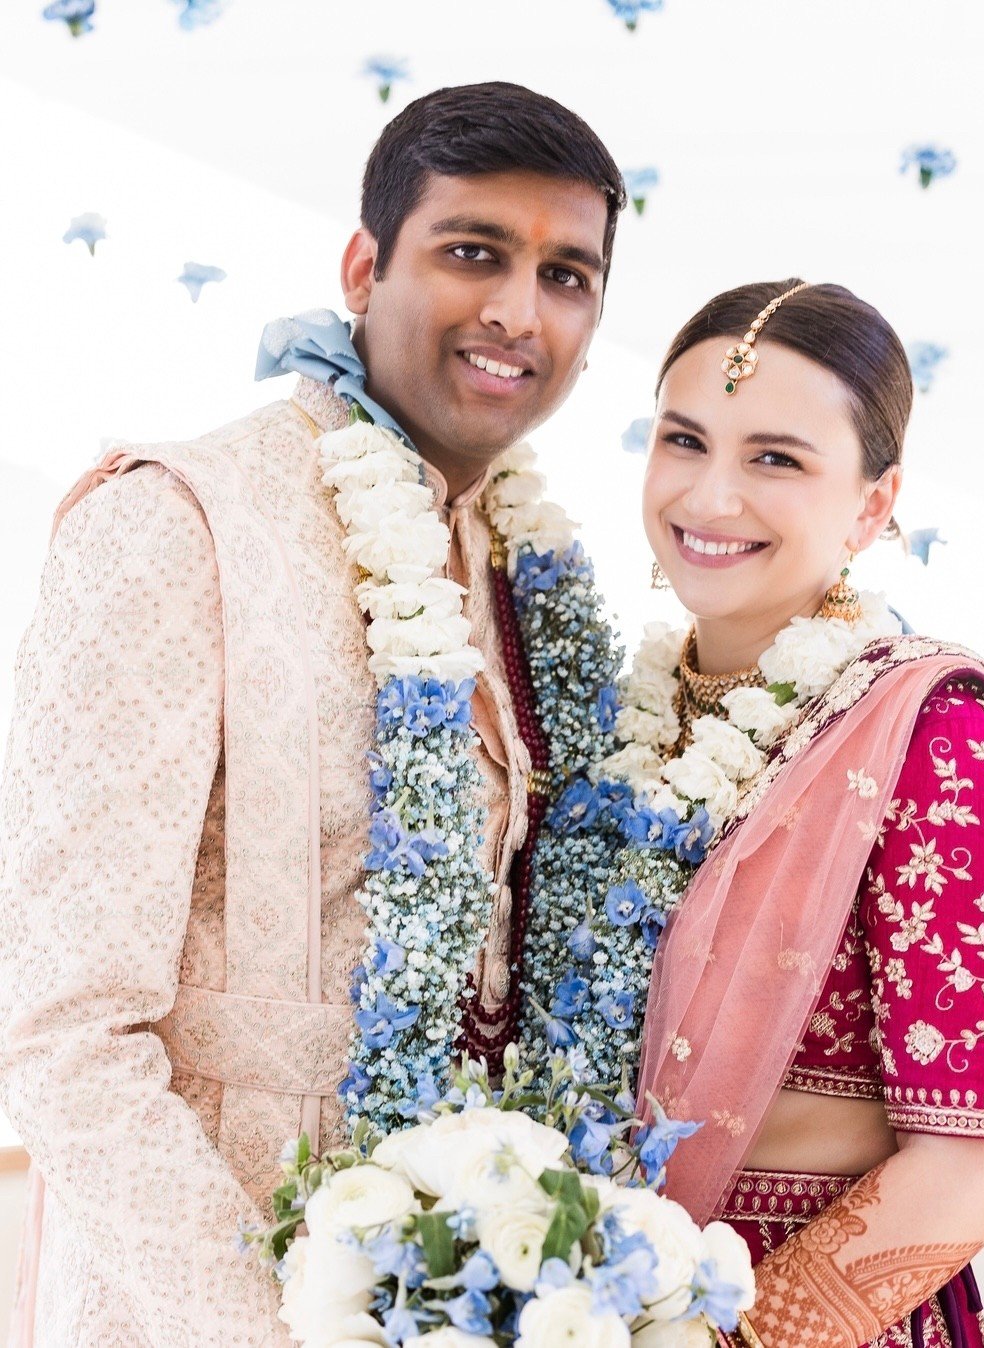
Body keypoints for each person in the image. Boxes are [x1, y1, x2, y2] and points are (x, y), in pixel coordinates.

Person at [0, 82, 625, 1346]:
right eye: (472, 252)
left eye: (567, 274)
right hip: (196, 1307)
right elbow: (56, 1025)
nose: (518, 311)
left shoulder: (528, 574)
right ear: (361, 266)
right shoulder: (176, 524)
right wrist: (269, 1329)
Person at [618, 280, 984, 1346]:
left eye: (775, 458)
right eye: (684, 439)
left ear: (875, 504)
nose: (711, 494)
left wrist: (729, 1336)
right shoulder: (622, 724)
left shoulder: (941, 744)